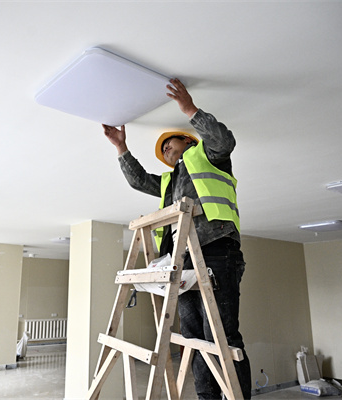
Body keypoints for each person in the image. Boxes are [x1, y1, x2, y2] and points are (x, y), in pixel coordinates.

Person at [102, 78, 251, 399]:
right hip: (180, 260)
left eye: (169, 144)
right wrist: (121, 148)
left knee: (221, 336)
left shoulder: (207, 157)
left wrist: (190, 109)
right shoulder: (169, 182)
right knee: (194, 338)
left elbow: (224, 141)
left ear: (187, 140)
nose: (165, 150)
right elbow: (139, 180)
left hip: (216, 249)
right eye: (162, 150)